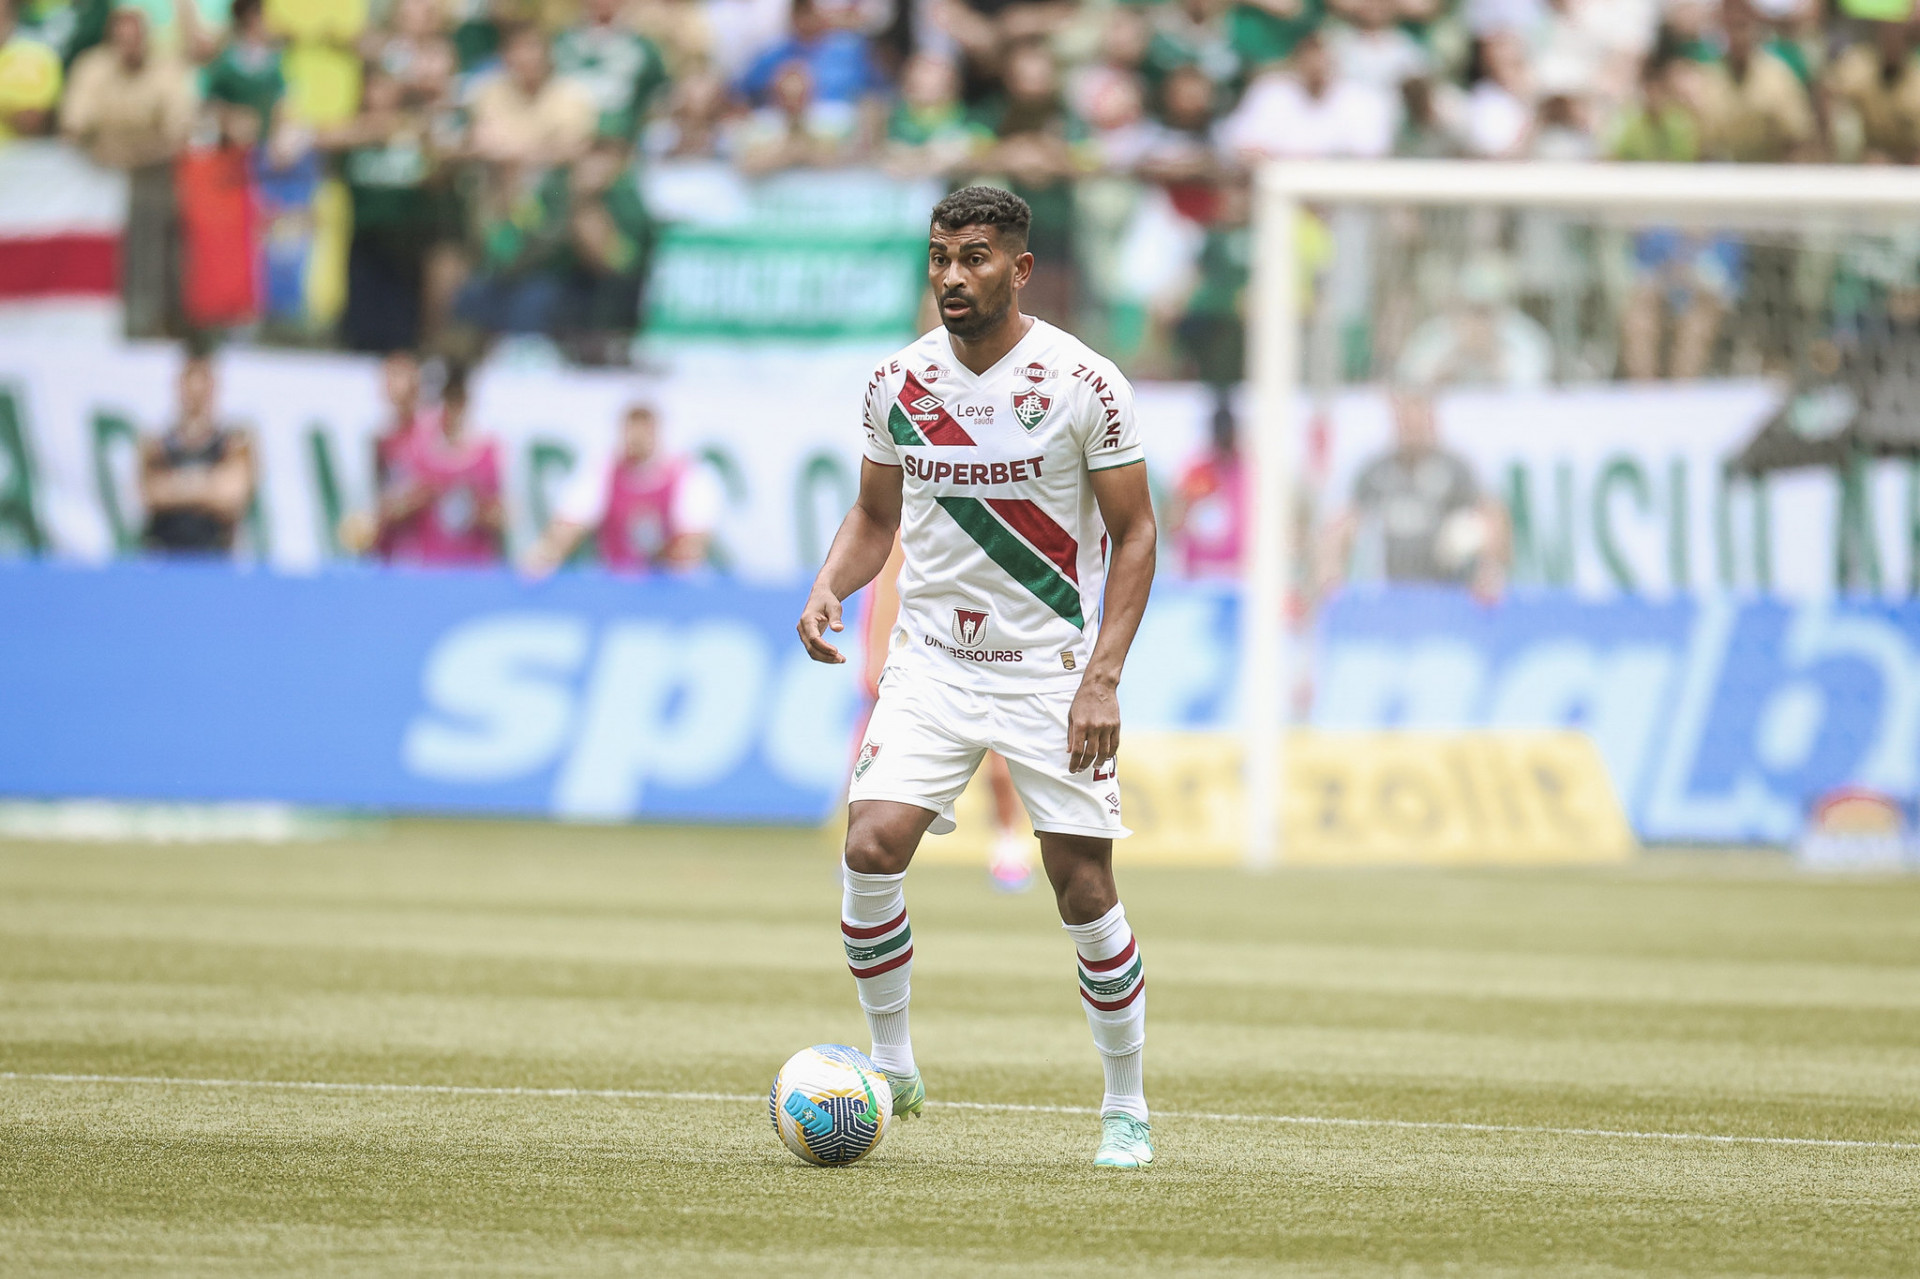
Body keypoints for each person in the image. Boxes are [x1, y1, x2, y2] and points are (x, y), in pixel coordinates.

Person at [795, 186, 1159, 1169]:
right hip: (933, 664)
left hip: (1049, 672)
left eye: (975, 257)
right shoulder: (897, 382)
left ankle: (1125, 1105)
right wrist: (830, 584)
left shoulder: (1084, 384)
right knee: (870, 844)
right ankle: (892, 1063)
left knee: (1083, 887)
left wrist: (1102, 679)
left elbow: (1136, 534)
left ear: (1020, 268)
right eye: (940, 257)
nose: (952, 276)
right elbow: (875, 517)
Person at [1319, 386, 1510, 600]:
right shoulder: (1375, 472)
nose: (1412, 431)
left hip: (1447, 591)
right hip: (1390, 591)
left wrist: (1489, 568)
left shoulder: (1455, 470)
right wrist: (1331, 566)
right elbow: (1346, 521)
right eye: (1406, 422)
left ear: (1431, 423)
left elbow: (1491, 516)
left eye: (1418, 422)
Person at [522, 402, 722, 576]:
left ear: (656, 433)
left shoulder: (687, 477)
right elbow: (567, 526)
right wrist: (546, 554)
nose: (637, 440)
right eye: (632, 432)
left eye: (644, 432)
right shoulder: (602, 472)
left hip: (667, 586)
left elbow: (691, 549)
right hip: (615, 582)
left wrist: (658, 557)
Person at [375, 364, 505, 566]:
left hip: (475, 569)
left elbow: (502, 516)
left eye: (456, 400)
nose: (449, 410)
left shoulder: (486, 452)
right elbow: (387, 512)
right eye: (444, 400)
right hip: (428, 569)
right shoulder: (415, 450)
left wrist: (475, 509)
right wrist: (419, 497)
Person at [139, 348, 256, 555]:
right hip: (165, 554)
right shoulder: (157, 444)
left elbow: (231, 496)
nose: (195, 395)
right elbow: (151, 494)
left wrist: (176, 485)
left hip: (214, 556)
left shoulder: (233, 443)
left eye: (202, 386)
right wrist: (207, 485)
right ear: (179, 387)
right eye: (190, 385)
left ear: (213, 388)